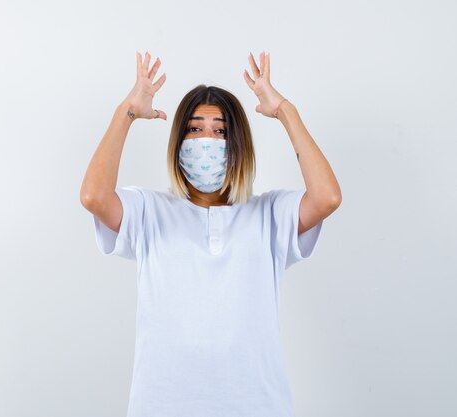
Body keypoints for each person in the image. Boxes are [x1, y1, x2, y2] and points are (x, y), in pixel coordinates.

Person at [80, 50, 342, 417]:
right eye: (195, 129)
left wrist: (285, 111)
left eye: (220, 131)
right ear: (178, 141)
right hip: (163, 405)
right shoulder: (149, 211)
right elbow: (93, 196)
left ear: (238, 146)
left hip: (258, 406)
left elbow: (327, 197)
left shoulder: (269, 214)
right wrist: (126, 112)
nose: (207, 141)